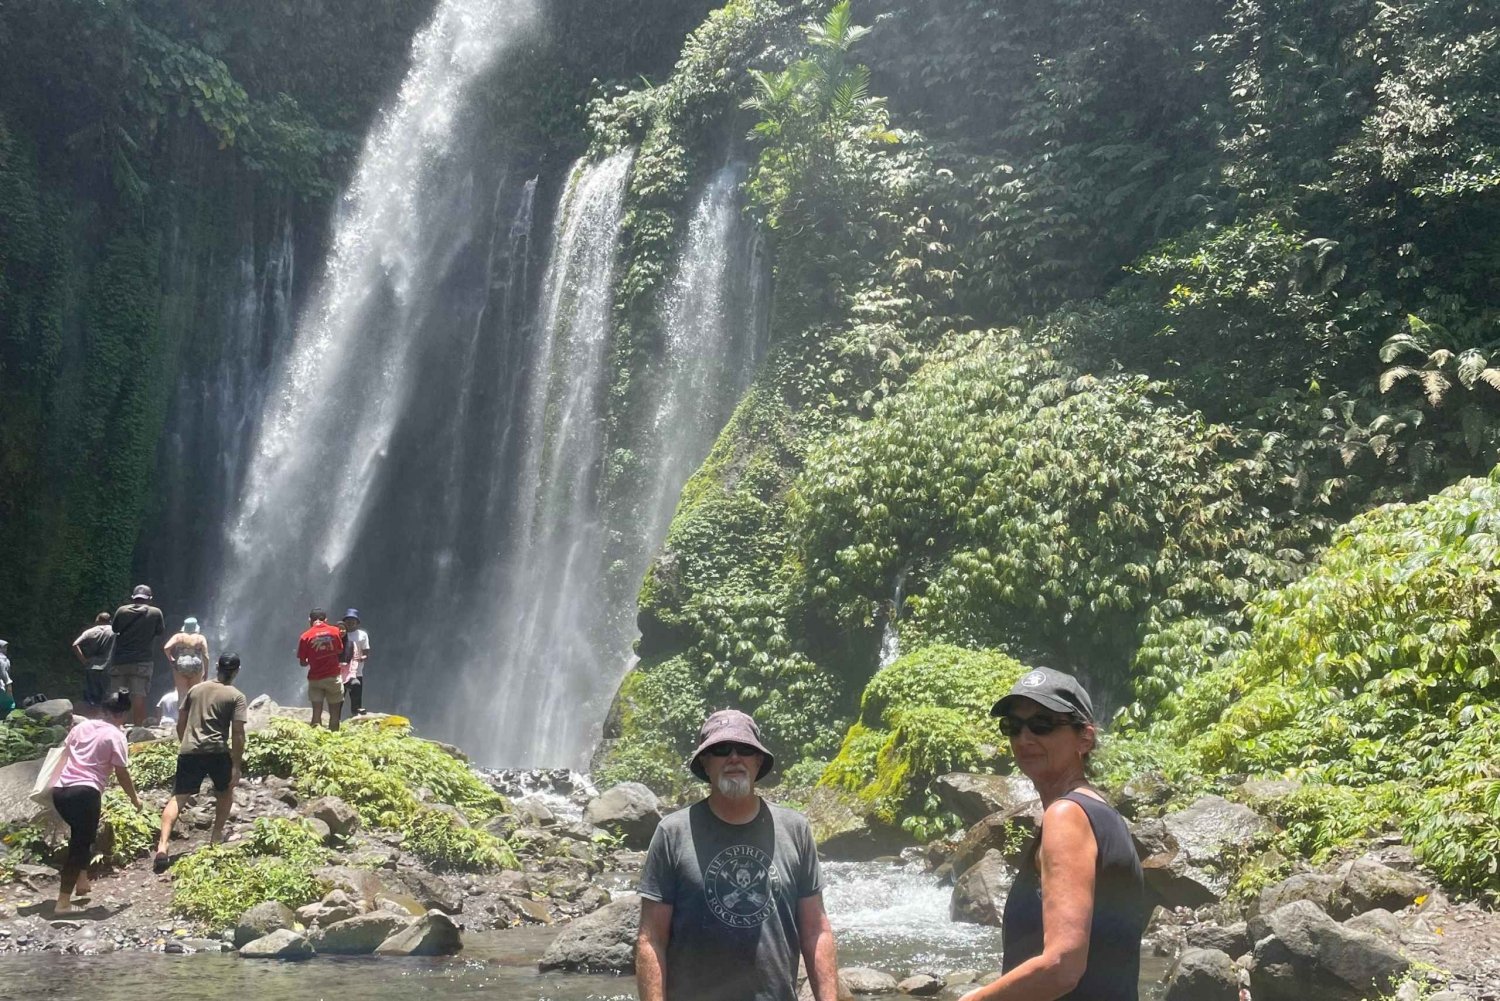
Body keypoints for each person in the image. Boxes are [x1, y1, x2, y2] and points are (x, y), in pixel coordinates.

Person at [960, 668, 1147, 1001]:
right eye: (1013, 727)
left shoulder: (1067, 816)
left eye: (1042, 724)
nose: (1024, 738)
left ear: (1085, 738)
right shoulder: (1100, 813)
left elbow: (1062, 965)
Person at [636, 709, 839, 1001]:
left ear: (758, 761)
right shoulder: (672, 833)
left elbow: (816, 931)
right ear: (705, 763)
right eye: (720, 750)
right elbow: (651, 940)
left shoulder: (795, 830)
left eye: (744, 749)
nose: (734, 757)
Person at [51, 689, 143, 914]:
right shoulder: (115, 735)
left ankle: (82, 881)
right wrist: (135, 799)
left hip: (61, 791)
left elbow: (64, 752)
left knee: (82, 834)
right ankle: (62, 902)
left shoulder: (81, 727)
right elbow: (121, 773)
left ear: (103, 710)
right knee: (81, 845)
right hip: (86, 791)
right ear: (122, 715)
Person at [153, 653, 247, 873]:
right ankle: (215, 839)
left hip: (189, 750)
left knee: (179, 796)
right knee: (225, 792)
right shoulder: (236, 696)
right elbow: (238, 733)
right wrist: (236, 764)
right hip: (217, 750)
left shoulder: (196, 689)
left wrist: (185, 743)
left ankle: (163, 846)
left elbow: (181, 722)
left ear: (216, 667)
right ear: (237, 671)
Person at [109, 585, 164, 726]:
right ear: (150, 599)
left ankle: (115, 725)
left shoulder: (122, 611)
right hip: (142, 661)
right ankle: (138, 728)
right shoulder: (155, 612)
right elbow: (159, 632)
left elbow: (115, 629)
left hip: (120, 660)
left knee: (116, 694)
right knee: (139, 694)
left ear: (133, 598)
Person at [298, 608, 345, 731]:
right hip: (333, 677)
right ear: (326, 620)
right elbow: (339, 650)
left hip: (315, 679)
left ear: (310, 620)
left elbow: (303, 663)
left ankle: (316, 739)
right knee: (335, 714)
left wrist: (313, 659)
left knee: (316, 713)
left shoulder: (305, 636)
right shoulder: (335, 631)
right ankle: (334, 739)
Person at [72, 612, 115, 708]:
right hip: (108, 667)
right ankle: (106, 719)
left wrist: (84, 660)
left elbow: (75, 645)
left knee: (92, 697)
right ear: (110, 621)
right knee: (108, 696)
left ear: (97, 620)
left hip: (91, 666)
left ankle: (92, 717)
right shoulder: (115, 632)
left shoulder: (89, 632)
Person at [162, 616, 210, 703]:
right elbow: (206, 656)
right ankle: (193, 715)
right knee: (194, 694)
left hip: (181, 665)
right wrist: (206, 672)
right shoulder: (200, 638)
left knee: (182, 696)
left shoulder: (178, 637)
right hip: (196, 666)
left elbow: (166, 648)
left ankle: (182, 715)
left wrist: (171, 659)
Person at [340, 609, 371, 716]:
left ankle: (356, 715)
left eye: (353, 620)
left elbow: (366, 652)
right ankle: (335, 720)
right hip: (340, 673)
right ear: (344, 622)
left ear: (357, 623)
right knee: (338, 699)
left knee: (356, 698)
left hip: (357, 672)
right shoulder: (340, 634)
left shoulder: (362, 635)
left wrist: (362, 657)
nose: (350, 623)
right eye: (348, 620)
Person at [0, 639, 13, 715]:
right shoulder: (3, 659)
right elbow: (3, 673)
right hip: (2, 686)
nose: (5, 649)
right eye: (4, 647)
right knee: (8, 707)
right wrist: (8, 684)